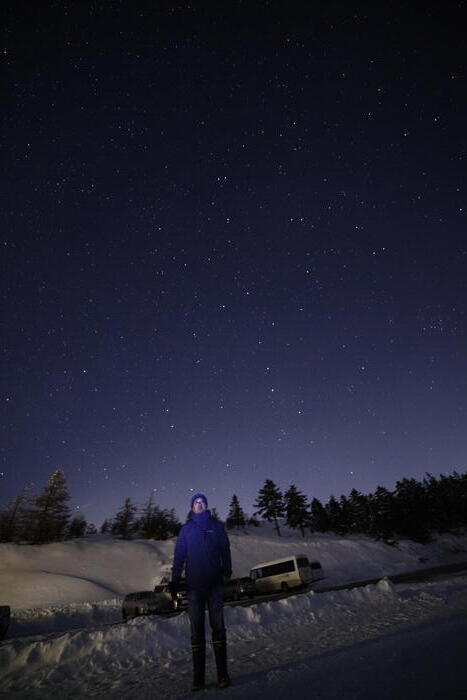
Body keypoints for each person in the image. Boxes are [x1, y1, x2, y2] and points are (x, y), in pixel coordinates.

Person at [171, 492, 232, 691]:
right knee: (196, 631)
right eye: (196, 502)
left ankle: (223, 675)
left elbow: (225, 548)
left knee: (218, 628)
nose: (199, 504)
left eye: (202, 502)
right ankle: (199, 679)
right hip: (194, 587)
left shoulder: (216, 526)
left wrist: (227, 569)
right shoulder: (186, 530)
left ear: (206, 506)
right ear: (191, 507)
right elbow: (179, 556)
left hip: (214, 585)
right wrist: (174, 580)